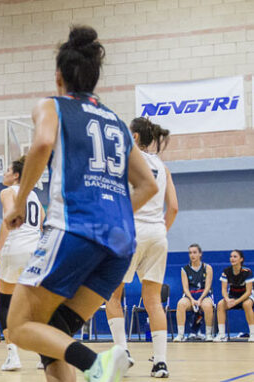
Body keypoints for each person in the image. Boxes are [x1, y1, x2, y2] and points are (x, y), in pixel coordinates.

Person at [2, 25, 158, 382]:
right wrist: (114, 212)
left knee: (19, 326)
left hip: (75, 231)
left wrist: (19, 202)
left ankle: (95, 364)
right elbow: (147, 185)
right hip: (120, 244)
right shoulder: (117, 122)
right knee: (54, 333)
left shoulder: (52, 105)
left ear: (58, 77)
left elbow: (41, 145)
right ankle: (91, 365)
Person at [104, 117, 178, 378]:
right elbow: (174, 207)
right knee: (153, 301)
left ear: (134, 138)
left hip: (131, 231)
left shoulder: (126, 159)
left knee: (113, 296)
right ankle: (160, 363)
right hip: (158, 234)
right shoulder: (162, 166)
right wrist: (159, 232)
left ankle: (122, 352)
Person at [0, 156, 43, 371]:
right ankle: (43, 354)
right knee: (36, 305)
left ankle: (13, 356)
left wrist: (0, 249)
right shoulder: (36, 196)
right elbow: (41, 222)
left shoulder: (7, 192)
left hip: (16, 247)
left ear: (16, 175)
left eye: (7, 170)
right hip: (35, 249)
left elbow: (10, 217)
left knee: (5, 301)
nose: (4, 174)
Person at [174, 244, 214, 342]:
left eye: (195, 252)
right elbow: (185, 288)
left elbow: (208, 286)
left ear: (200, 254)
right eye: (190, 253)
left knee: (208, 305)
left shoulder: (207, 267)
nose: (192, 255)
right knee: (180, 304)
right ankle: (180, 335)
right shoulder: (185, 269)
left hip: (204, 295)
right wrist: (192, 300)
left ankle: (208, 334)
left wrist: (200, 300)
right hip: (190, 295)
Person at [213, 250, 254, 342]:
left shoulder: (247, 272)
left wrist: (236, 302)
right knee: (220, 304)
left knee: (247, 305)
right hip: (232, 296)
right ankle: (222, 335)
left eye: (235, 256)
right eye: (231, 256)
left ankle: (252, 334)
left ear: (241, 259)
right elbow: (223, 290)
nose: (232, 258)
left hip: (246, 296)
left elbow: (248, 292)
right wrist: (227, 299)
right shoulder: (226, 271)